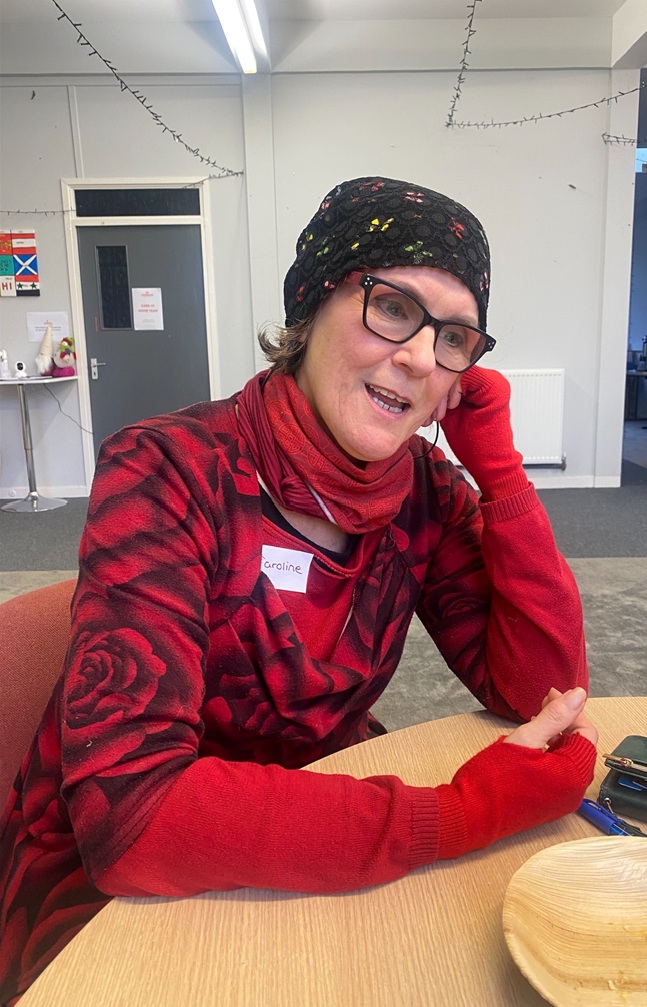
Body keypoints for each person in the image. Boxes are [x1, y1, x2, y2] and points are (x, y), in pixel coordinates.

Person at [0, 176, 597, 1005]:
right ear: (311, 306)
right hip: (118, 880)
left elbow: (539, 690)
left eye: (454, 336)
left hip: (318, 821)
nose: (421, 356)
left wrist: (496, 468)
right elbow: (135, 817)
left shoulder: (420, 486)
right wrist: (460, 810)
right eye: (392, 307)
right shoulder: (168, 469)